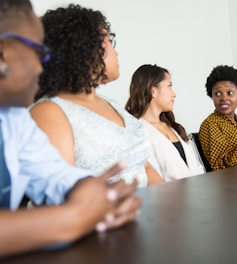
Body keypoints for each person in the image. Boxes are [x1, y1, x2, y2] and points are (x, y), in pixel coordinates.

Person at [0, 0, 141, 257]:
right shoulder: (45, 111)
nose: (43, 67)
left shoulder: (13, 119)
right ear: (2, 54)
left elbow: (55, 175)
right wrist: (75, 218)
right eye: (38, 53)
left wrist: (95, 195)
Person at [29, 4, 163, 187]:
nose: (116, 52)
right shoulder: (48, 112)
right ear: (82, 46)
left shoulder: (112, 104)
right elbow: (57, 199)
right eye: (108, 40)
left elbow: (144, 168)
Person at [125, 64, 205, 181]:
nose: (174, 94)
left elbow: (196, 167)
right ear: (153, 91)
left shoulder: (173, 127)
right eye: (169, 86)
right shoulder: (137, 132)